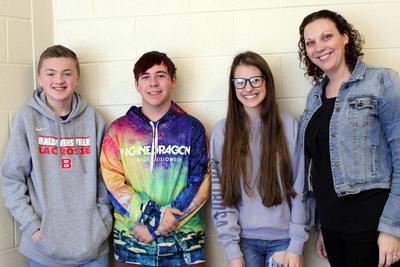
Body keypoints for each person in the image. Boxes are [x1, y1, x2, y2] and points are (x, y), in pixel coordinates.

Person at [298, 9, 400, 267]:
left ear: (345, 37)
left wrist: (392, 228)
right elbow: (320, 166)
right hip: (333, 228)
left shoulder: (381, 81)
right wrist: (322, 225)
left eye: (326, 37)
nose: (319, 47)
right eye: (310, 43)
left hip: (373, 226)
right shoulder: (314, 96)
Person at [1, 45, 112, 267]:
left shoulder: (95, 120)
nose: (59, 80)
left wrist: (102, 224)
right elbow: (12, 178)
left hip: (93, 248)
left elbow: (107, 179)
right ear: (40, 78)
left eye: (67, 73)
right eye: (51, 73)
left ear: (77, 78)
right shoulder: (26, 119)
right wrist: (33, 229)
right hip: (43, 250)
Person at [100, 51, 210, 267]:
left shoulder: (192, 128)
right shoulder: (118, 130)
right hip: (133, 243)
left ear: (173, 80)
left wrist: (157, 226)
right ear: (136, 84)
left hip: (184, 246)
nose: (153, 83)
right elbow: (112, 182)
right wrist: (150, 217)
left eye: (160, 75)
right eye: (145, 76)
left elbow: (201, 183)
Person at [210, 51, 309, 267]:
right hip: (243, 242)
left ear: (267, 82)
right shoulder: (222, 132)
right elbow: (220, 195)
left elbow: (301, 187)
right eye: (240, 82)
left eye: (255, 80)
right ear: (233, 86)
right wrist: (231, 250)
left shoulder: (289, 126)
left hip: (285, 240)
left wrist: (297, 245)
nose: (248, 88)